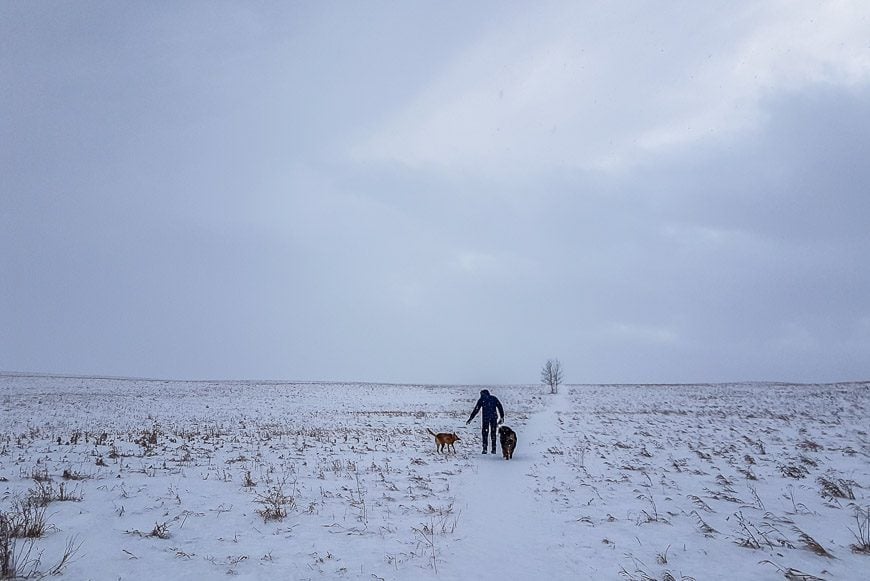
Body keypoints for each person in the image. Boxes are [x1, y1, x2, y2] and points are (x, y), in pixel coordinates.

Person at [465, 389, 504, 454]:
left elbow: (476, 409)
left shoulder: (482, 400)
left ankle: (485, 448)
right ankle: (493, 449)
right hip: (493, 417)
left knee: (485, 433)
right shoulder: (493, 398)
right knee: (493, 433)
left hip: (486, 418)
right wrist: (502, 417)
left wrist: (471, 418)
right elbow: (500, 407)